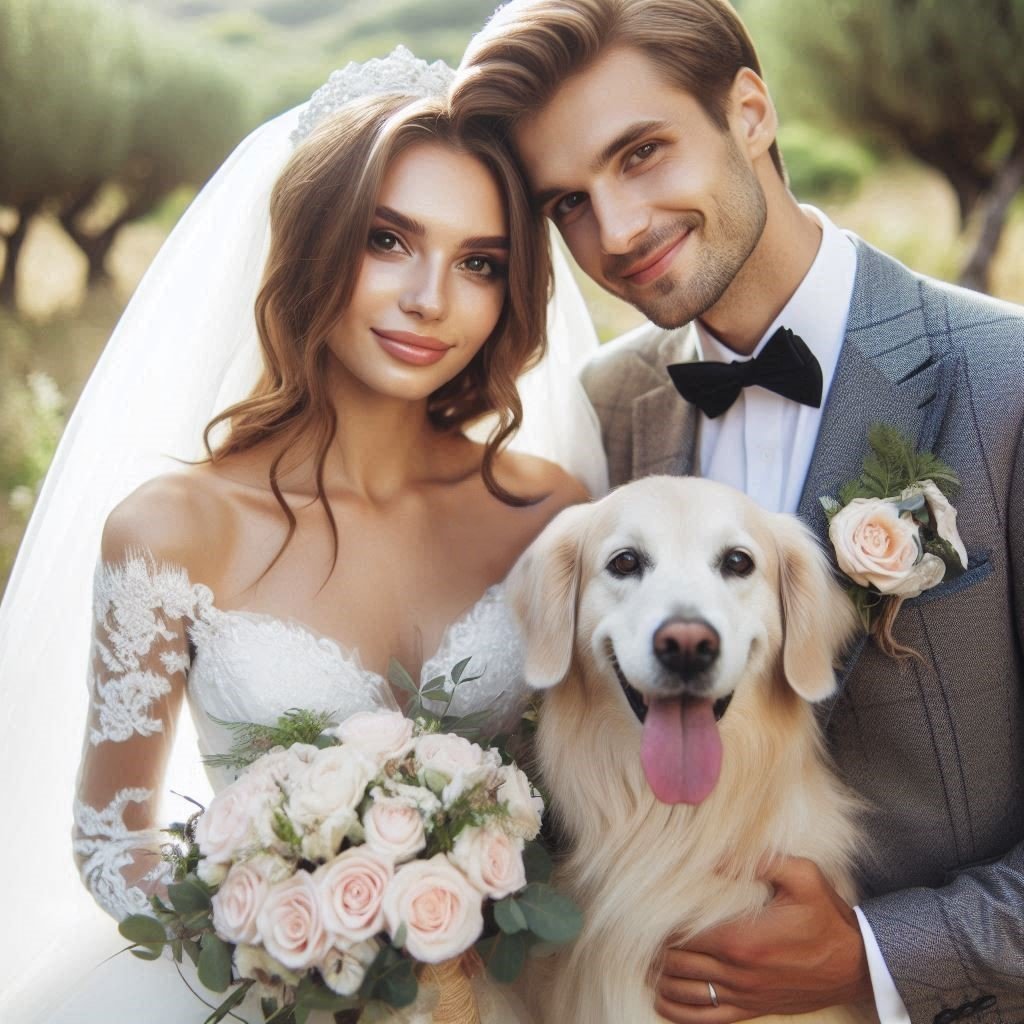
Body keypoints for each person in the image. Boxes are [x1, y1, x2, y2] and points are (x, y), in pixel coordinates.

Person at [0, 48, 606, 1023]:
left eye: (479, 261)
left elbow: (590, 789)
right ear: (316, 245)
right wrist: (296, 929)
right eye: (387, 240)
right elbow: (113, 837)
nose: (429, 298)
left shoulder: (549, 514)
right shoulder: (172, 529)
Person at [450, 2, 1024, 1023]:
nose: (616, 231)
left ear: (749, 111)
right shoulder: (610, 406)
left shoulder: (1006, 383)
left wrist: (881, 957)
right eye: (568, 203)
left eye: (642, 154)